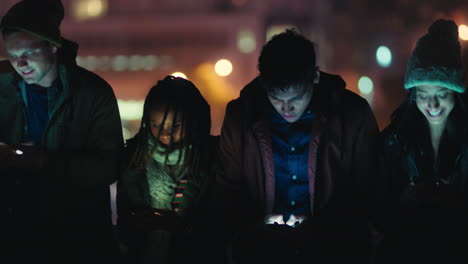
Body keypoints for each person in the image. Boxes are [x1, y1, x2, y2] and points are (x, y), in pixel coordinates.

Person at [215, 29, 379, 263]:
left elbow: (366, 188)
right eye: (276, 99)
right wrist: (256, 227)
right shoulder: (241, 117)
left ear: (315, 76)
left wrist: (322, 227)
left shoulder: (352, 115)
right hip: (260, 251)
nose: (286, 109)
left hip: (335, 250)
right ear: (264, 84)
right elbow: (227, 189)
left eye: (296, 98)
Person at [0, 0, 123, 263]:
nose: (20, 64)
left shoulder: (93, 94)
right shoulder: (3, 92)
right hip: (14, 234)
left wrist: (42, 161)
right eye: (12, 56)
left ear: (53, 46)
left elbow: (109, 166)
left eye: (29, 53)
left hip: (76, 237)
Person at [374, 19, 468, 264]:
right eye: (424, 95)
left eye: (442, 95)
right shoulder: (394, 142)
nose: (433, 105)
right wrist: (404, 201)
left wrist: (454, 201)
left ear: (456, 94)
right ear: (413, 95)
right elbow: (376, 212)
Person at [116, 76, 221, 264]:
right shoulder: (135, 157)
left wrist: (184, 227)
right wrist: (138, 221)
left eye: (175, 126)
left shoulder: (210, 158)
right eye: (156, 125)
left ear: (194, 121)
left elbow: (220, 219)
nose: (165, 133)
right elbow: (124, 214)